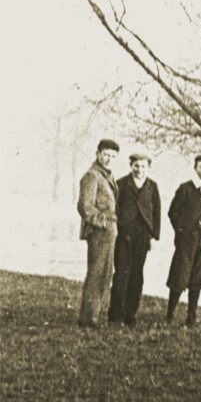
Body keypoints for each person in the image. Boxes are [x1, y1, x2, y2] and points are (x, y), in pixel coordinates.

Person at [166, 155, 201, 326]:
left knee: (197, 279)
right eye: (200, 167)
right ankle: (170, 313)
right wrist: (183, 231)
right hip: (186, 242)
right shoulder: (185, 188)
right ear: (195, 169)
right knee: (179, 277)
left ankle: (191, 315)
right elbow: (173, 213)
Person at [108, 152, 161, 326]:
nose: (139, 170)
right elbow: (114, 208)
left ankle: (131, 314)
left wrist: (154, 236)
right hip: (124, 235)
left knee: (137, 275)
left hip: (142, 237)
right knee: (121, 274)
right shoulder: (121, 184)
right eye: (136, 166)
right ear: (131, 166)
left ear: (149, 168)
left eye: (143, 166)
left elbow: (156, 213)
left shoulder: (152, 187)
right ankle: (116, 316)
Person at [76, 139, 119, 327]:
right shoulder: (92, 176)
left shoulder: (107, 176)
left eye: (113, 156)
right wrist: (103, 223)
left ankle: (93, 316)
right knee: (97, 274)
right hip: (99, 232)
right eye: (106, 154)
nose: (109, 159)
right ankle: (89, 319)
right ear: (97, 154)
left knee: (105, 274)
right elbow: (85, 206)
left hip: (109, 233)